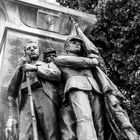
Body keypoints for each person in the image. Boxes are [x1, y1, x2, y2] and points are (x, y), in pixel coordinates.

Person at [55, 22, 138, 140]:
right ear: (66, 47)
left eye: (79, 43)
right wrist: (92, 62)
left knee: (100, 123)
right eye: (73, 42)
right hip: (76, 87)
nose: (77, 44)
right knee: (84, 119)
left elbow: (95, 53)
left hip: (95, 89)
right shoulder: (60, 58)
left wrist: (81, 34)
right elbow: (87, 61)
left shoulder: (89, 60)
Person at [7, 41, 61, 140]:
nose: (31, 49)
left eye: (34, 47)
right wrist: (20, 66)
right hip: (26, 99)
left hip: (45, 96)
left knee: (51, 132)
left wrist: (35, 69)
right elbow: (12, 89)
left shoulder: (47, 64)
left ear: (39, 52)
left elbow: (57, 75)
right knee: (24, 133)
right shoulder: (21, 68)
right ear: (25, 53)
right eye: (28, 48)